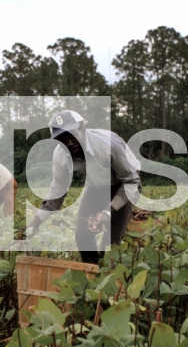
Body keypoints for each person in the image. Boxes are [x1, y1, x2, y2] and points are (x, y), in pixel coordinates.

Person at [26, 110, 141, 265]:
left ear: (82, 128)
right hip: (96, 186)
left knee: (111, 243)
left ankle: (112, 280)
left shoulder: (108, 144)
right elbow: (58, 190)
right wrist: (36, 222)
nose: (69, 142)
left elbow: (133, 182)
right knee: (82, 235)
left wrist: (108, 211)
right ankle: (92, 273)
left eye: (71, 135)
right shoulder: (60, 155)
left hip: (123, 184)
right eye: (62, 139)